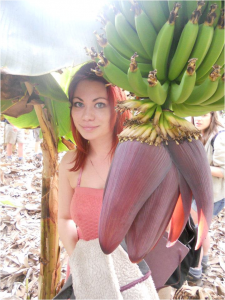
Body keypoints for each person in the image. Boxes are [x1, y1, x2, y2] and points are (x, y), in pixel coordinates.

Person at [57, 62, 159, 300]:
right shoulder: (71, 163)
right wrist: (82, 260)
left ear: (118, 108)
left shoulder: (140, 158)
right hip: (86, 275)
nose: (86, 116)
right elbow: (64, 218)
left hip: (134, 276)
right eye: (78, 104)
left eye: (99, 104)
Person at [187, 112, 225, 286]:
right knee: (201, 228)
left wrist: (198, 164)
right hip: (200, 190)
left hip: (213, 195)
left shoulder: (220, 137)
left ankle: (195, 272)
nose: (198, 118)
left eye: (203, 114)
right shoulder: (199, 133)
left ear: (213, 115)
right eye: (196, 115)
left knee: (197, 230)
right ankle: (204, 263)